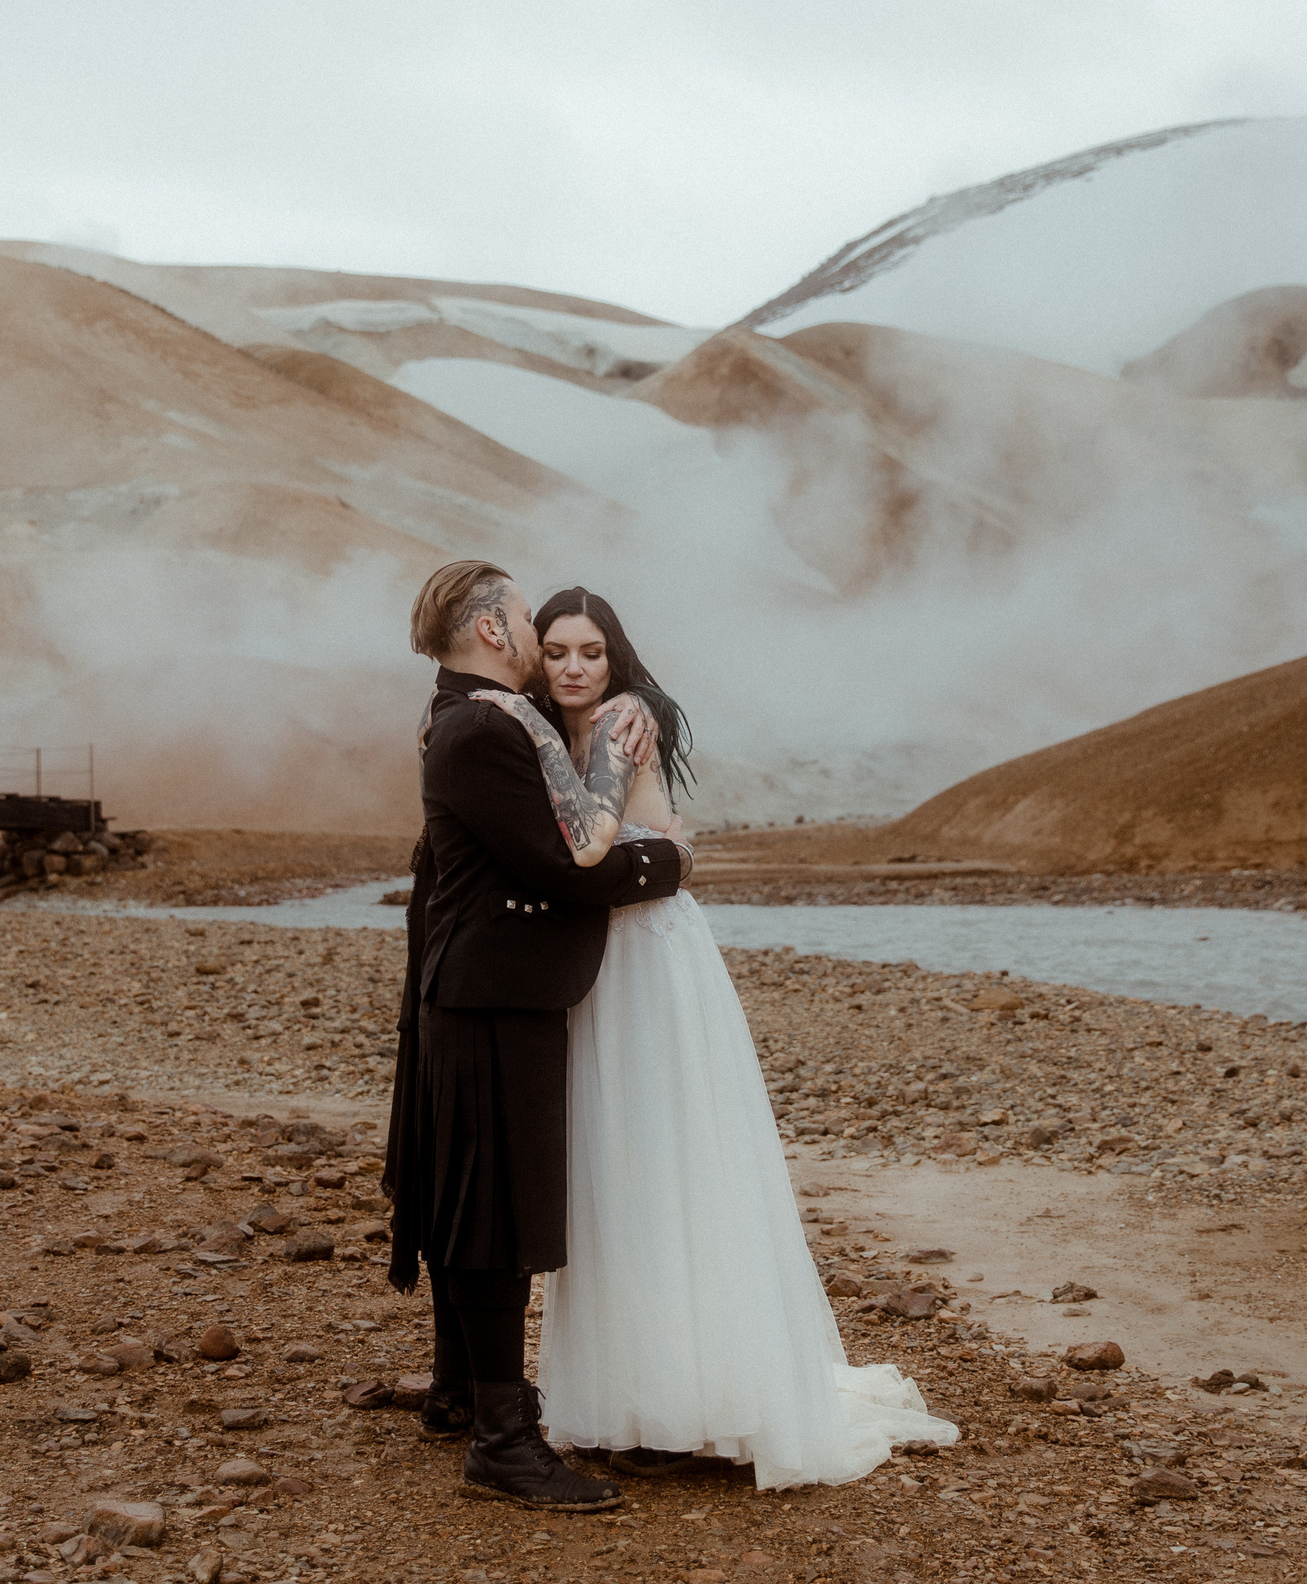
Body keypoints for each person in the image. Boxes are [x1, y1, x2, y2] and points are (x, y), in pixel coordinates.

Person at [476, 586, 960, 1490]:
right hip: (596, 962)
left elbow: (588, 842)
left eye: (591, 651)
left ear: (615, 658)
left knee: (665, 1162)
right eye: (558, 651)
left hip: (648, 962)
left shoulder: (619, 721)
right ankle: (638, 1396)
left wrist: (532, 723)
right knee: (612, 1170)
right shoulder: (567, 721)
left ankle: (690, 1397)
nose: (574, 667)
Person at [383, 560, 688, 1513]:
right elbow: (563, 862)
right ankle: (502, 1442)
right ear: (492, 630)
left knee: (470, 1195)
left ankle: (460, 1391)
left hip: (476, 986)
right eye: (524, 618)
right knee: (493, 1215)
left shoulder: (466, 715)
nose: (534, 633)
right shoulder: (482, 726)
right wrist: (668, 863)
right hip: (490, 993)